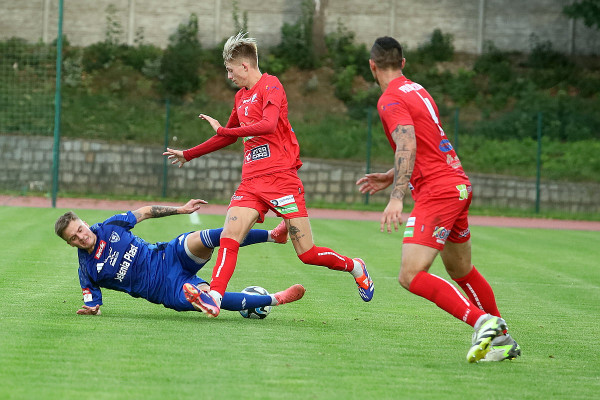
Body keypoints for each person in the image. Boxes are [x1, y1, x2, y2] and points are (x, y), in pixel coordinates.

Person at [163, 32, 374, 318]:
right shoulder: (240, 97)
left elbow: (268, 124)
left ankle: (355, 267)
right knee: (230, 236)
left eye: (230, 70)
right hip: (251, 182)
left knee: (307, 254)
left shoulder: (271, 85)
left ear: (245, 66)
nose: (229, 76)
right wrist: (188, 154)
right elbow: (228, 137)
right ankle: (214, 296)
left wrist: (223, 129)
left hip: (281, 179)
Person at [356, 36, 520, 363]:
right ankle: (503, 341)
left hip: (437, 191)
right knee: (461, 270)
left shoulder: (389, 99)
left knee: (410, 274)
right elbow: (427, 144)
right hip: (457, 184)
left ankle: (483, 322)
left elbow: (408, 145)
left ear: (372, 66)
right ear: (403, 63)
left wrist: (397, 196)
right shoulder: (418, 90)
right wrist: (392, 174)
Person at [54, 198, 304, 315]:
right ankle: (275, 299)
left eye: (80, 230)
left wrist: (181, 209)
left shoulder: (111, 226)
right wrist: (92, 309)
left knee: (202, 238)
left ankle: (274, 236)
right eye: (73, 238)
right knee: (209, 296)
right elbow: (92, 304)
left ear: (84, 223)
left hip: (168, 255)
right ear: (69, 243)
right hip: (165, 290)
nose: (81, 237)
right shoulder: (86, 270)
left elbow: (146, 212)